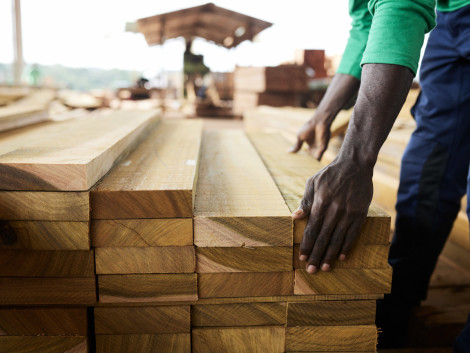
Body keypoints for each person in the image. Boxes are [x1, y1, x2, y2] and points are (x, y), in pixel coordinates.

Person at [289, 0, 470, 350]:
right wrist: (324, 113)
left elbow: (402, 5)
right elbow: (368, 24)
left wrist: (355, 161)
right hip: (453, 16)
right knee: (428, 167)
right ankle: (397, 302)